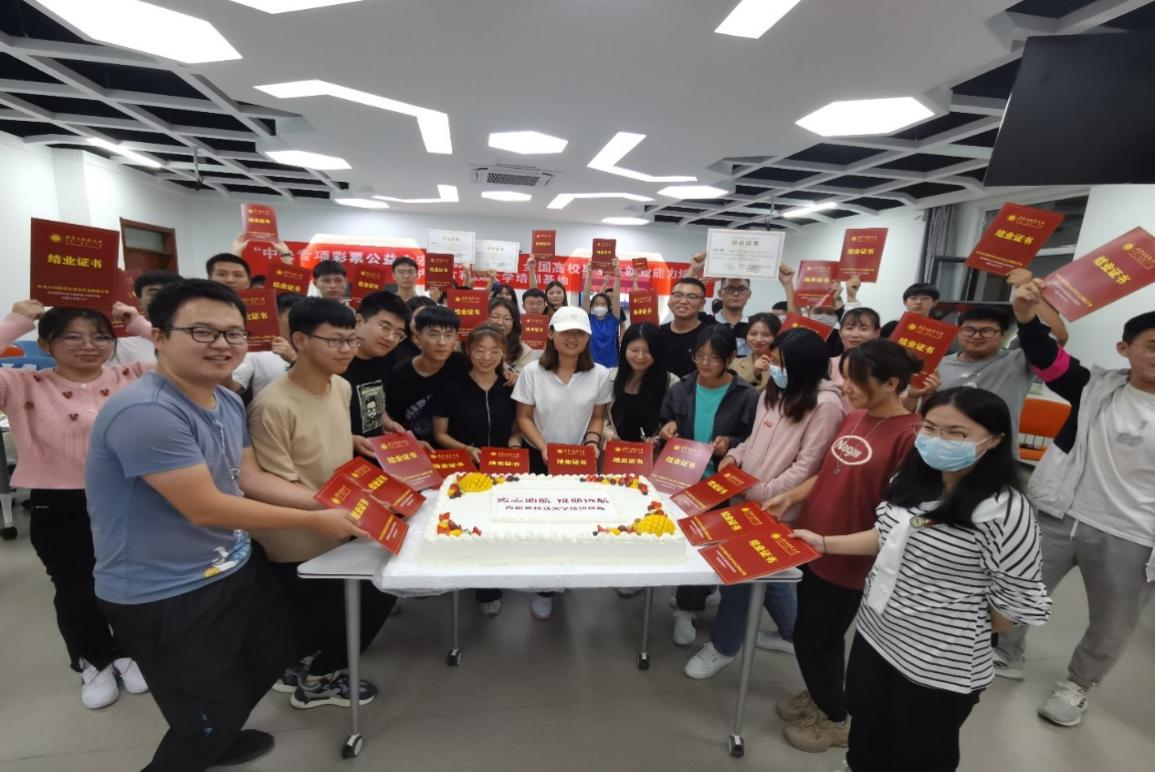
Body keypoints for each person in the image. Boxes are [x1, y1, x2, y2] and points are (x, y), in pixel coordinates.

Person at [88, 279, 366, 770]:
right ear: (159, 336)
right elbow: (206, 507)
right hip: (164, 589)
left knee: (272, 652)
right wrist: (320, 520)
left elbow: (249, 478)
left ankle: (217, 734)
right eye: (202, 332)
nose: (222, 345)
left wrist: (326, 504)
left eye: (234, 334)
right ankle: (202, 743)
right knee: (201, 708)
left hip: (230, 564)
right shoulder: (149, 412)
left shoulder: (226, 400)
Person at [794, 387, 1051, 771]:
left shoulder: (1004, 510)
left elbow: (1016, 601)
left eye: (956, 433)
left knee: (919, 755)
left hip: (938, 663)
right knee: (866, 738)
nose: (937, 440)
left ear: (995, 440)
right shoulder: (915, 478)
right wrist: (825, 543)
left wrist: (947, 619)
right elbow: (888, 536)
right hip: (876, 636)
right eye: (930, 428)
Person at [995, 284, 1155, 728]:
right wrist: (1026, 315)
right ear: (1124, 348)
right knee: (1019, 586)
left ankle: (1079, 684)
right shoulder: (1094, 388)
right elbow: (1046, 357)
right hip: (1060, 514)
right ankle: (1006, 652)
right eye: (1152, 345)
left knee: (1113, 621)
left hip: (1136, 534)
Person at [767, 339, 923, 753]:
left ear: (891, 383)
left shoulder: (910, 436)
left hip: (848, 553)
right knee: (815, 632)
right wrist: (792, 495)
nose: (844, 386)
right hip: (813, 541)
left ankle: (836, 718)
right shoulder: (855, 416)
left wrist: (834, 543)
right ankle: (822, 695)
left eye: (855, 379)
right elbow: (830, 472)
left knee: (816, 637)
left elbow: (900, 517)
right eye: (845, 376)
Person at [0, 299, 152, 709]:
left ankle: (129, 651)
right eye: (72, 337)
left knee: (132, 580)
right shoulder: (23, 385)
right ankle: (93, 660)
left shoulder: (135, 376)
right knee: (75, 586)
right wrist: (17, 320)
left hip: (131, 495)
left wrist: (138, 323)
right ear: (46, 344)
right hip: (59, 502)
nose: (89, 345)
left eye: (100, 337)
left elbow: (184, 358)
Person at [247, 298, 389, 710]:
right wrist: (332, 510)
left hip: (342, 518)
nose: (347, 350)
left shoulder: (340, 386)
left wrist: (353, 442)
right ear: (300, 340)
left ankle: (301, 664)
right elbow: (274, 483)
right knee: (362, 601)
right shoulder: (273, 405)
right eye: (335, 341)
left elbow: (324, 442)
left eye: (351, 340)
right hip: (299, 534)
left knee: (339, 608)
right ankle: (318, 681)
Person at [683, 328, 845, 677]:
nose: (775, 369)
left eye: (782, 364)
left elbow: (808, 466)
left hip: (778, 507)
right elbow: (753, 440)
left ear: (805, 366)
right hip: (744, 496)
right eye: (774, 361)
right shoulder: (773, 392)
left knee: (741, 577)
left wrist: (760, 492)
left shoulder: (826, 405)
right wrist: (735, 457)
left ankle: (723, 647)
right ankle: (793, 634)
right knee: (769, 575)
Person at [659, 325, 757, 644]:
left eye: (713, 358)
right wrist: (667, 427)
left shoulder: (746, 395)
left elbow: (752, 438)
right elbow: (666, 419)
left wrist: (731, 443)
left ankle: (688, 607)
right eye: (699, 356)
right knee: (687, 544)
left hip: (718, 485)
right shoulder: (682, 388)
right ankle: (687, 604)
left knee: (707, 545)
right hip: (682, 479)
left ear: (730, 357)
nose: (704, 363)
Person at [513, 306, 612, 620]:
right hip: (539, 459)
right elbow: (523, 417)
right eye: (566, 332)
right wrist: (544, 448)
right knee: (542, 525)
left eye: (579, 333)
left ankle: (564, 575)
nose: (572, 338)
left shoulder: (599, 374)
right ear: (550, 334)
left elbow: (597, 416)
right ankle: (544, 587)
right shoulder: (532, 372)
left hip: (579, 460)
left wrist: (592, 442)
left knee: (572, 523)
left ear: (588, 338)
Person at [433, 324, 524, 617]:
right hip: (465, 470)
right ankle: (473, 581)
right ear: (468, 351)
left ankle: (493, 580)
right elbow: (440, 434)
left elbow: (518, 426)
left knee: (499, 525)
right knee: (470, 526)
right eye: (479, 350)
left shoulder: (511, 387)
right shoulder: (451, 387)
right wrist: (466, 449)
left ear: (503, 353)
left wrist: (513, 444)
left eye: (494, 351)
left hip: (504, 469)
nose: (486, 357)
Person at [910, 304, 1035, 435]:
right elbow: (920, 413)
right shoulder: (938, 364)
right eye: (968, 330)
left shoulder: (1020, 361)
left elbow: (1045, 340)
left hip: (996, 445)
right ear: (959, 332)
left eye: (987, 331)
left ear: (1003, 334)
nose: (976, 336)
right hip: (943, 442)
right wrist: (918, 395)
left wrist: (1029, 310)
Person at [387, 305, 468, 445]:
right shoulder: (399, 374)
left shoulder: (461, 364)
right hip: (414, 448)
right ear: (418, 337)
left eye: (449, 335)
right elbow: (392, 423)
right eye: (433, 334)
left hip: (454, 448)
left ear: (456, 338)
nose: (442, 342)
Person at [339, 290, 411, 439]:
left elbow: (374, 401)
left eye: (398, 334)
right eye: (384, 327)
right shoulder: (335, 361)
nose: (390, 338)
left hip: (375, 448)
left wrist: (386, 422)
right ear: (358, 322)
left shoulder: (384, 358)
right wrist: (350, 440)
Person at [606, 323, 677, 443]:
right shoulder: (610, 378)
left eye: (648, 351)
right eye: (634, 350)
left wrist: (658, 440)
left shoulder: (671, 383)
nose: (640, 357)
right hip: (616, 451)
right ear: (624, 349)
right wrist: (608, 433)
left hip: (653, 453)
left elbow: (675, 423)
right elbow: (600, 417)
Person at [230, 292, 303, 399]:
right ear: (275, 317)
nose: (301, 323)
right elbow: (233, 386)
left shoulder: (317, 346)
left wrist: (293, 359)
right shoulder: (258, 351)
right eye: (294, 317)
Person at [111, 270, 182, 366]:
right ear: (139, 300)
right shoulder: (121, 343)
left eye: (169, 292)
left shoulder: (193, 331)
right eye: (153, 293)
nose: (162, 298)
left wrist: (138, 324)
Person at [659, 277, 715, 378]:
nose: (683, 301)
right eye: (678, 295)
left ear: (702, 303)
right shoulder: (658, 332)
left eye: (692, 297)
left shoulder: (711, 336)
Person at [828, 307, 882, 411]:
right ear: (840, 332)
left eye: (863, 329)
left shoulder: (884, 365)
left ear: (877, 333)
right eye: (849, 328)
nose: (855, 335)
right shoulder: (828, 365)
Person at [582, 263, 623, 368]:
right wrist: (589, 274)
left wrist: (617, 276)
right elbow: (586, 296)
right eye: (596, 304)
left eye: (603, 304)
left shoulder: (613, 319)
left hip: (611, 366)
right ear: (591, 306)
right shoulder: (588, 318)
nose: (599, 306)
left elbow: (616, 296)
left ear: (608, 306)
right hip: (590, 365)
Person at [487, 296, 540, 374]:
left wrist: (513, 376)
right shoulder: (472, 344)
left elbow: (524, 377)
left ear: (514, 323)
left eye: (507, 318)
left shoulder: (525, 351)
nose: (500, 322)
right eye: (495, 317)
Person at [731, 312, 782, 391]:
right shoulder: (734, 364)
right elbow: (732, 391)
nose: (758, 339)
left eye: (766, 335)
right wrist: (754, 373)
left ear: (777, 336)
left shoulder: (783, 366)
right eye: (753, 334)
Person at [715, 278, 753, 355]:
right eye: (730, 289)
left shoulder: (754, 326)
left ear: (749, 294)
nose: (736, 294)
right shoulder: (707, 323)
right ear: (720, 293)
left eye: (742, 289)